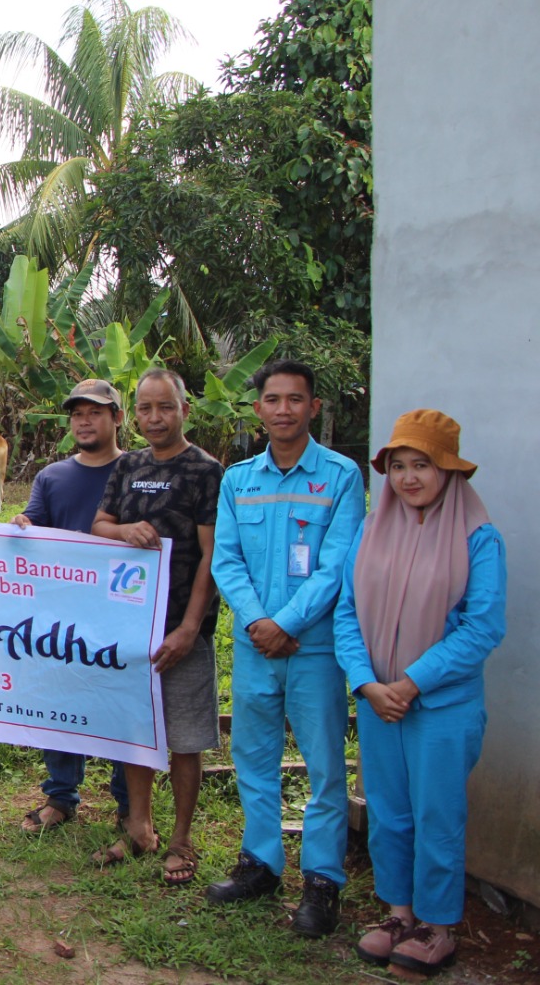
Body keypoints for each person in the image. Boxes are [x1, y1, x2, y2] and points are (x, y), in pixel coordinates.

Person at [333, 410, 506, 975]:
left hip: (440, 707)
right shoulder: (371, 531)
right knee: (388, 812)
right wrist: (367, 683)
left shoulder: (479, 540)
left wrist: (410, 683)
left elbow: (483, 626)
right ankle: (399, 913)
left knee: (436, 814)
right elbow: (348, 613)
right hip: (379, 701)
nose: (408, 479)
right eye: (398, 467)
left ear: (449, 472)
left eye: (422, 465)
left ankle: (437, 925)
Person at [207, 360, 365, 936]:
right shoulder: (238, 480)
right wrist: (257, 623)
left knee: (325, 767)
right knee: (253, 758)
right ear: (258, 409)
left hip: (315, 650)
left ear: (313, 408)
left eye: (295, 400)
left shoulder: (342, 477)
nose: (283, 410)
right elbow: (226, 560)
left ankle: (322, 882)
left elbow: (337, 564)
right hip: (256, 649)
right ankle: (261, 864)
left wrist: (288, 623)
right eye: (272, 399)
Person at [91, 368, 223, 885]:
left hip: (181, 630)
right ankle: (139, 829)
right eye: (144, 409)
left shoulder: (206, 470)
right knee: (134, 735)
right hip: (131, 629)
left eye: (164, 407)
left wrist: (191, 627)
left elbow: (212, 556)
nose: (154, 418)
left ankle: (182, 840)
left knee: (185, 740)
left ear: (184, 410)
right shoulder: (128, 467)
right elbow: (99, 527)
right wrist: (124, 530)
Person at [11, 378, 133, 834]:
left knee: (122, 707)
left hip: (120, 613)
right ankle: (60, 796)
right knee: (59, 703)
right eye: (78, 414)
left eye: (95, 413)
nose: (84, 421)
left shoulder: (138, 472)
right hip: (61, 615)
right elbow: (34, 524)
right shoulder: (53, 476)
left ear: (117, 418)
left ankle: (128, 803)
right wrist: (22, 523)